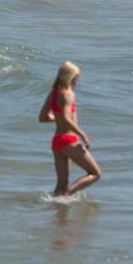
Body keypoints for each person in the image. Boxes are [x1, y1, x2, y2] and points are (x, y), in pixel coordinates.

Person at [37, 61, 102, 197]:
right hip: (69, 140)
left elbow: (42, 117)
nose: (77, 81)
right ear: (70, 78)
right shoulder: (68, 94)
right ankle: (67, 196)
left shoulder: (53, 94)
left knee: (61, 184)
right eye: (76, 78)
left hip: (57, 141)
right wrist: (82, 135)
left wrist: (57, 118)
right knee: (95, 173)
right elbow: (67, 118)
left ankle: (58, 207)